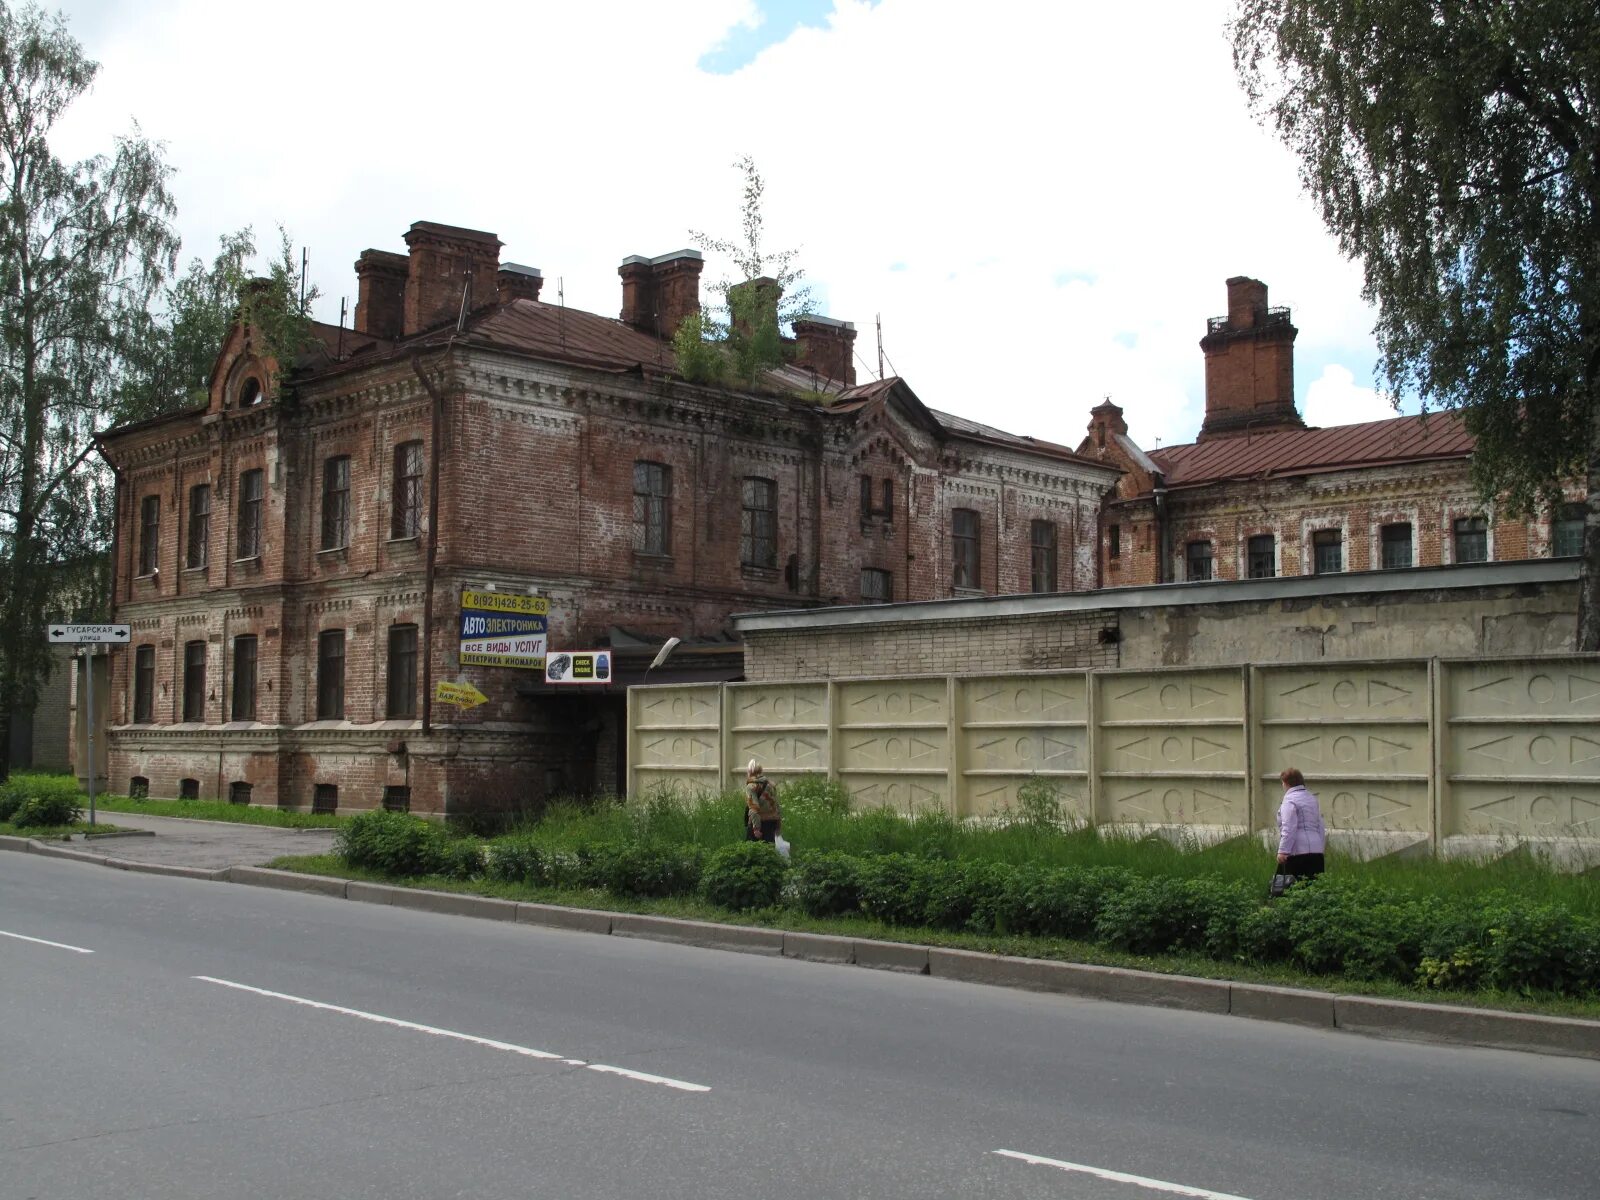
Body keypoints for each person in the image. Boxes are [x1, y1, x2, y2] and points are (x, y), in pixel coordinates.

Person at [1276, 767, 1326, 883]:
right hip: (1316, 852)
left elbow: (1289, 827)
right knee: (1314, 888)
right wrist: (1320, 849)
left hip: (1297, 853)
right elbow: (1320, 826)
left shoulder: (1289, 801)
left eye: (1282, 783)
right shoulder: (1312, 799)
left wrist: (1283, 851)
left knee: (1287, 889)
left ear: (1286, 783)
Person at [745, 759, 781, 843]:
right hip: (772, 822)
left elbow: (754, 808)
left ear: (750, 771)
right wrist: (778, 825)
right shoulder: (771, 785)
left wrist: (756, 828)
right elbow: (776, 805)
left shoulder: (751, 786)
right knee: (769, 851)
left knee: (753, 851)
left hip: (760, 823)